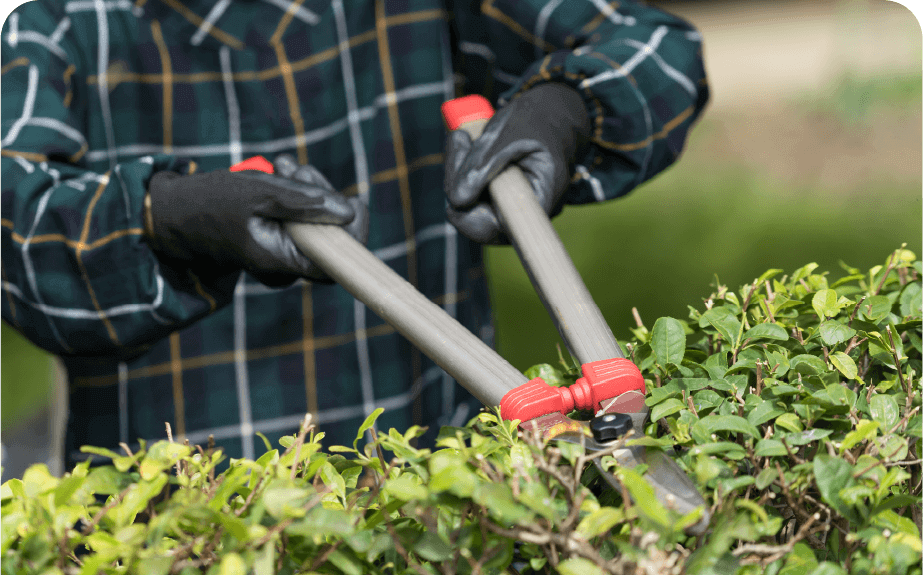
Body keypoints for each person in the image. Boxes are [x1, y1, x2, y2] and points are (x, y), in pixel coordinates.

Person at [1, 0, 708, 472]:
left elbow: (654, 47)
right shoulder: (53, 18)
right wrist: (165, 216)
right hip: (181, 514)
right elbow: (17, 237)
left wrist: (563, 108)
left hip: (441, 478)